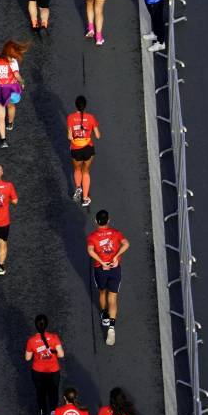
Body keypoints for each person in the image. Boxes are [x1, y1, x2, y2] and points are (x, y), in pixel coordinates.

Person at [87, 209, 128, 346]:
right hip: (115, 269)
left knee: (102, 292)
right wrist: (116, 256)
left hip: (101, 269)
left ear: (96, 221)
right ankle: (111, 327)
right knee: (113, 298)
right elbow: (126, 244)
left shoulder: (92, 236)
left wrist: (102, 261)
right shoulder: (116, 233)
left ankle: (104, 315)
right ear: (108, 220)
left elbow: (90, 251)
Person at [0, 40, 27, 147]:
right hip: (12, 90)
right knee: (11, 106)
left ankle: (3, 140)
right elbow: (17, 75)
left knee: (0, 116)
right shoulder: (13, 62)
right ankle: (10, 123)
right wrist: (22, 82)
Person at [26, 313, 64, 415]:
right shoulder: (54, 338)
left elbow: (27, 358)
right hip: (53, 372)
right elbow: (61, 355)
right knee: (53, 392)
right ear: (46, 325)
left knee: (40, 394)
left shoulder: (31, 340)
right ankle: (53, 411)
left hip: (38, 372)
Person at [66, 95, 100, 206]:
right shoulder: (91, 117)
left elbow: (69, 137)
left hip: (76, 149)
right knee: (86, 171)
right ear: (85, 106)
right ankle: (85, 198)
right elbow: (98, 136)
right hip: (88, 149)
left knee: (77, 169)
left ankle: (78, 188)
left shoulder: (70, 118)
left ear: (75, 105)